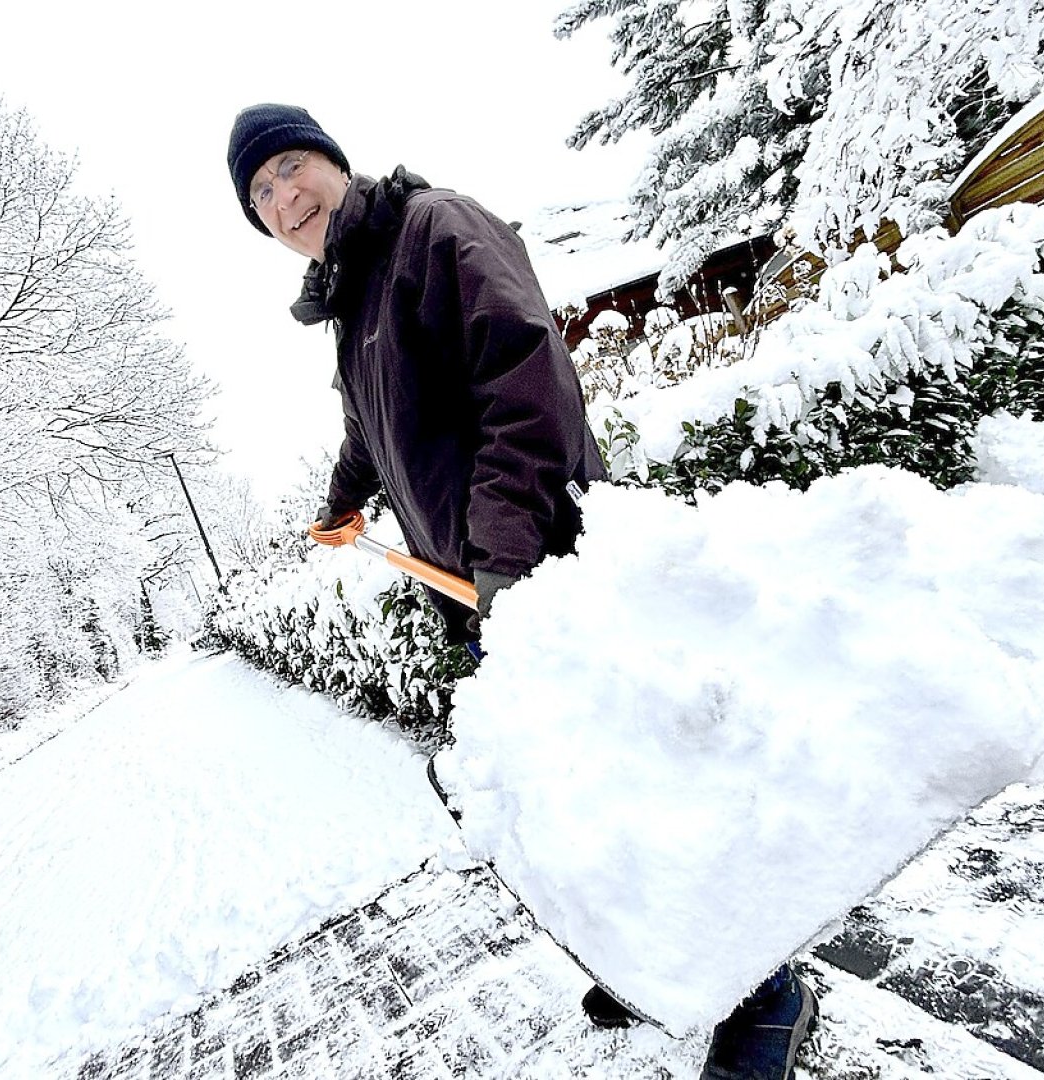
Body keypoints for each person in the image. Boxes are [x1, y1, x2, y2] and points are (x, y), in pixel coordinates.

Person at [226, 103, 815, 1080]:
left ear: (332, 161)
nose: (281, 197)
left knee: (640, 786)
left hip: (550, 567)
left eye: (289, 168)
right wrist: (341, 503)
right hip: (480, 591)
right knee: (573, 796)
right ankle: (648, 955)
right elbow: (372, 430)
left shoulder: (434, 229)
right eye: (258, 195)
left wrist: (503, 563)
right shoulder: (354, 300)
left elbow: (527, 383)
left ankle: (763, 991)